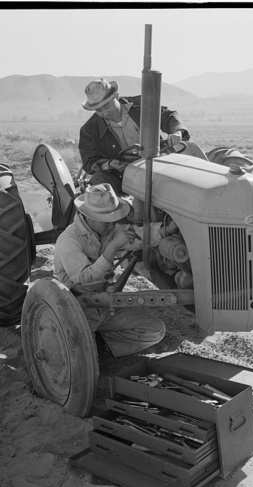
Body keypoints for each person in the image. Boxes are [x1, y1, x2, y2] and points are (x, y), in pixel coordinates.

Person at [53, 183, 177, 357]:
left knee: (155, 330)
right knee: (69, 351)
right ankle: (87, 344)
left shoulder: (110, 229)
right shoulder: (69, 240)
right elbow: (84, 278)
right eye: (106, 219)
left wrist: (165, 231)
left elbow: (139, 235)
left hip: (105, 304)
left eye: (114, 218)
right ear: (88, 216)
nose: (112, 223)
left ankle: (102, 346)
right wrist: (113, 247)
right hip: (77, 306)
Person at [79, 78, 190, 193]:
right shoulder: (88, 130)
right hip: (122, 177)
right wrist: (109, 164)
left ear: (116, 96)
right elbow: (89, 162)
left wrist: (177, 132)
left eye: (106, 106)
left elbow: (168, 116)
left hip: (159, 163)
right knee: (100, 184)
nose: (104, 112)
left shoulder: (142, 105)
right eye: (98, 110)